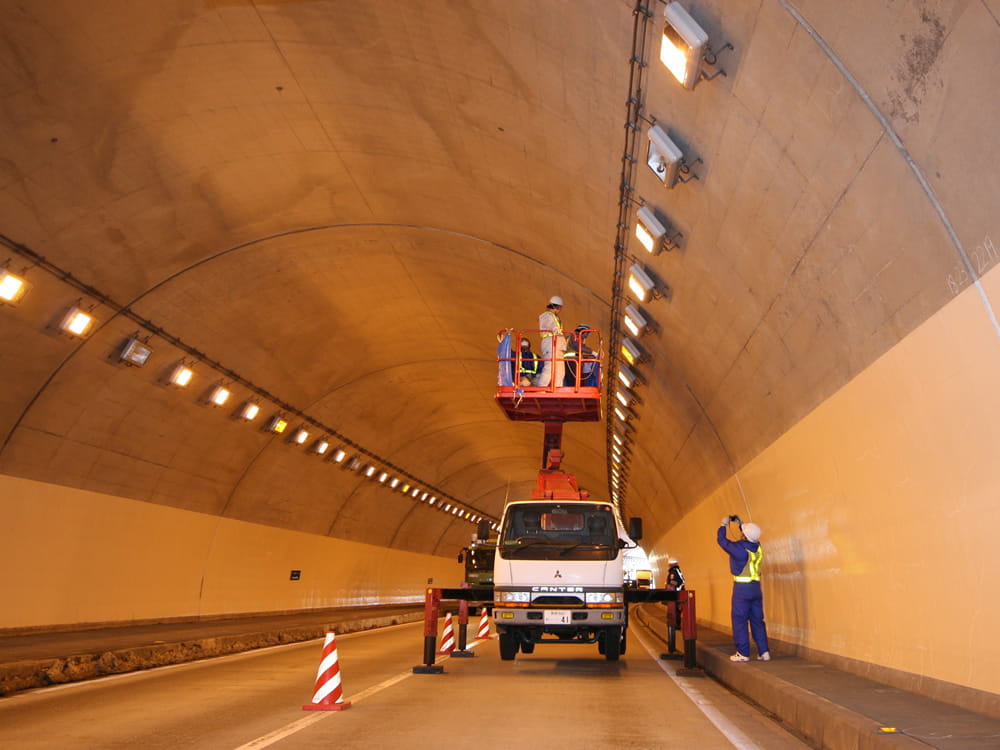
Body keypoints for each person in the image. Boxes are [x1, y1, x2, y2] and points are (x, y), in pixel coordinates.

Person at [717, 515, 770, 662]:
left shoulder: (739, 549)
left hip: (742, 590)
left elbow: (722, 541)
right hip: (756, 588)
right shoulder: (758, 547)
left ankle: (743, 653)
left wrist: (723, 525)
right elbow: (750, 537)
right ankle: (764, 652)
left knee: (739, 620)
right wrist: (742, 525)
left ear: (744, 535)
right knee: (758, 621)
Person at [536, 295, 566, 387]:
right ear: (557, 307)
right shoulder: (546, 315)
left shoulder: (555, 318)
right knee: (549, 368)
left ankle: (558, 389)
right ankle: (541, 388)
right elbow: (550, 324)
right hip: (550, 344)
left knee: (560, 370)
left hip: (557, 347)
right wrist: (555, 328)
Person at [664, 559, 685, 653]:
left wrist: (670, 587)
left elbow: (677, 581)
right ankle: (676, 624)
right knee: (677, 610)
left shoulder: (674, 572)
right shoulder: (677, 570)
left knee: (675, 610)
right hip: (677, 592)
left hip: (675, 593)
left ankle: (676, 625)